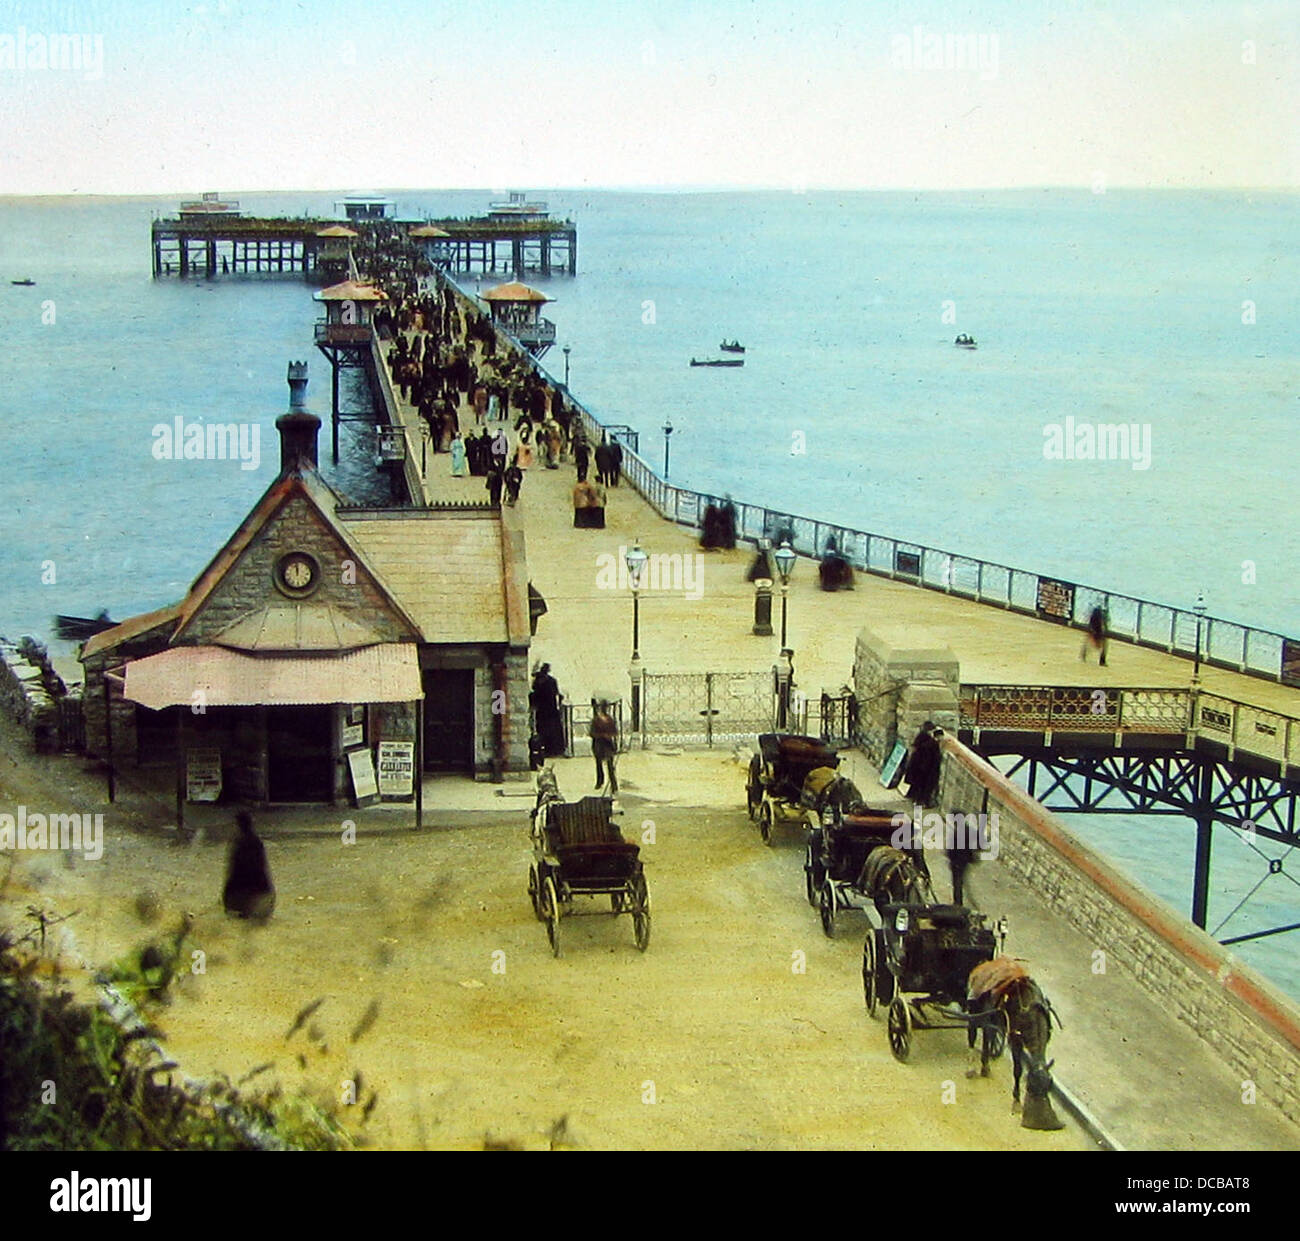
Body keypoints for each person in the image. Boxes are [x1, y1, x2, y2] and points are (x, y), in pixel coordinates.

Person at [223, 810, 275, 922]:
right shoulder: (256, 842)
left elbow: (234, 870)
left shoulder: (239, 843)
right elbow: (262, 867)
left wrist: (227, 896)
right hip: (259, 891)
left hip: (243, 893)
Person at [903, 721, 942, 809]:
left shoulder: (919, 740)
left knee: (918, 785)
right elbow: (933, 758)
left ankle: (916, 800)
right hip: (926, 770)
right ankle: (923, 802)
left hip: (918, 768)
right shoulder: (931, 744)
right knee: (925, 787)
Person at [530, 663, 566, 758]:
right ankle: (554, 749)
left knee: (543, 730)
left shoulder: (539, 681)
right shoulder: (551, 681)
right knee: (553, 730)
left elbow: (535, 692)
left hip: (543, 710)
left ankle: (546, 748)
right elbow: (556, 694)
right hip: (551, 709)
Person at [590, 700, 619, 793]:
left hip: (608, 745)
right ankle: (600, 782)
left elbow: (615, 732)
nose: (604, 709)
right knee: (599, 764)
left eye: (605, 707)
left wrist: (609, 735)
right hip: (598, 744)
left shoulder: (610, 720)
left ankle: (614, 785)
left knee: (610, 765)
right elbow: (592, 733)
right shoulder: (596, 720)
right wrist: (602, 735)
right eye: (602, 707)